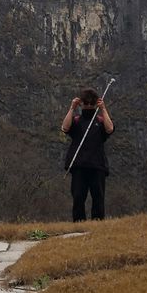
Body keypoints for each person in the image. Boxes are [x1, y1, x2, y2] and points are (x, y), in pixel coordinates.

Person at [61, 87, 115, 222]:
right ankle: (78, 223)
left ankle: (97, 223)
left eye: (92, 103)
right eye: (86, 103)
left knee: (98, 197)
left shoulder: (101, 120)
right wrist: (71, 108)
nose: (89, 106)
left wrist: (103, 109)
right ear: (81, 104)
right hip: (79, 165)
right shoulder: (77, 120)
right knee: (78, 196)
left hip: (97, 165)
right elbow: (65, 128)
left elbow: (110, 129)